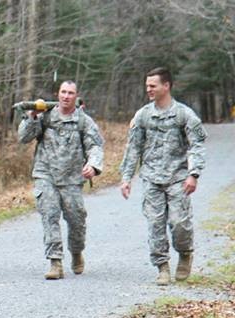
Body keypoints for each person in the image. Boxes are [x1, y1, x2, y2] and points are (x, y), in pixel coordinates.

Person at [119, 67, 206, 285]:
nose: (148, 89)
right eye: (147, 86)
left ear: (166, 86)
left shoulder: (184, 114)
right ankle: (162, 267)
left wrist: (193, 174)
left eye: (152, 85)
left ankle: (185, 253)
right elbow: (133, 148)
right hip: (151, 178)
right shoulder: (143, 115)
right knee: (155, 225)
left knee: (179, 223)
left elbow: (197, 145)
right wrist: (126, 177)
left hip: (178, 178)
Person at [17, 81, 104, 279]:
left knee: (76, 220)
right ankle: (55, 262)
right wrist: (32, 117)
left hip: (72, 178)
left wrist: (93, 165)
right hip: (45, 174)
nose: (66, 96)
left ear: (76, 96)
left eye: (70, 93)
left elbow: (95, 146)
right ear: (58, 94)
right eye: (63, 92)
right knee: (50, 216)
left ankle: (76, 251)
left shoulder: (83, 121)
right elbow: (23, 137)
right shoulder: (46, 116)